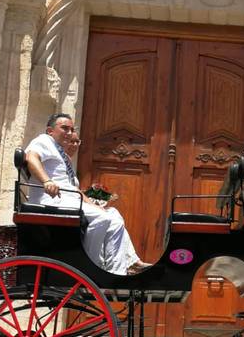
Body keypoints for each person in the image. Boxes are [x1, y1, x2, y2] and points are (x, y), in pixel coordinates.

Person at [24, 114, 150, 276]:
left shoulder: (63, 157)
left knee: (113, 215)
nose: (70, 133)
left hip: (68, 199)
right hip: (51, 201)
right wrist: (46, 181)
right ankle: (88, 268)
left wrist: (94, 204)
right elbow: (31, 157)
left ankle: (118, 270)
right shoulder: (44, 140)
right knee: (101, 218)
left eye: (72, 130)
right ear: (50, 131)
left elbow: (75, 191)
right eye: (65, 128)